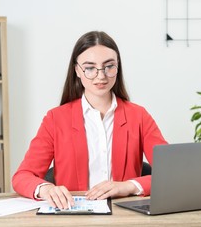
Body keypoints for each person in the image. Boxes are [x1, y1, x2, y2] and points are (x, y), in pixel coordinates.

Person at [12, 31, 168, 210]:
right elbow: (22, 176)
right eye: (90, 67)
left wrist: (128, 186)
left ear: (118, 67)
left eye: (109, 66)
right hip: (72, 214)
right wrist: (45, 188)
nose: (100, 76)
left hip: (124, 215)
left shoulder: (139, 116)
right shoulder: (55, 119)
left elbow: (171, 172)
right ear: (77, 70)